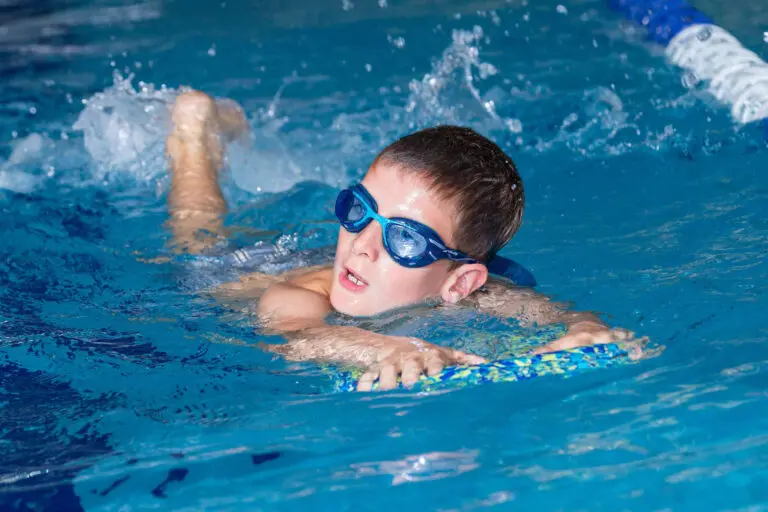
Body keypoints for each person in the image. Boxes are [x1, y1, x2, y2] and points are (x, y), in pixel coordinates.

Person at [165, 90, 637, 392]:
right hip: (233, 270)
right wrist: (385, 349)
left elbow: (561, 316)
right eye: (359, 211)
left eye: (404, 239)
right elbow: (297, 335)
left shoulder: (479, 293)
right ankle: (192, 138)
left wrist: (583, 329)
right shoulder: (294, 293)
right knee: (198, 233)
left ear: (460, 283)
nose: (361, 244)